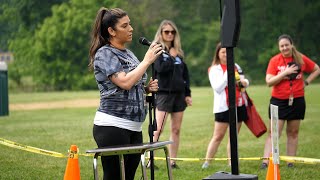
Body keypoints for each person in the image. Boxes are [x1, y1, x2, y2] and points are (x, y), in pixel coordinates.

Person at [88, 7, 163, 180]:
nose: (131, 29)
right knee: (114, 177)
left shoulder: (128, 53)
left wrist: (145, 89)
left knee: (128, 176)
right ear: (111, 31)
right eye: (125, 26)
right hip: (112, 126)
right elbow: (124, 82)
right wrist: (146, 61)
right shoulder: (104, 53)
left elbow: (129, 85)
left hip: (134, 127)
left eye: (130, 24)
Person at [260, 34, 320, 169]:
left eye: (287, 45)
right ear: (279, 47)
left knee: (293, 133)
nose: (284, 48)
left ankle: (290, 162)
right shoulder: (275, 61)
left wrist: (306, 82)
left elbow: (316, 69)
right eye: (282, 46)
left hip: (297, 100)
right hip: (278, 101)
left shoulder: (301, 58)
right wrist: (284, 72)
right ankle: (266, 161)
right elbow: (269, 82)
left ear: (291, 45)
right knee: (274, 133)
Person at [202, 42, 250, 169]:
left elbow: (241, 84)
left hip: (238, 105)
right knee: (218, 136)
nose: (226, 54)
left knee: (233, 137)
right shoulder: (214, 69)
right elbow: (218, 88)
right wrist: (228, 73)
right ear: (218, 53)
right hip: (223, 107)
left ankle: (232, 163)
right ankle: (207, 162)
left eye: (228, 52)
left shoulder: (236, 66)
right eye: (223, 52)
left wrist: (245, 82)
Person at [152, 20, 192, 168]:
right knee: (158, 129)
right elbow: (160, 69)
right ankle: (151, 160)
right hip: (163, 94)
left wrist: (187, 93)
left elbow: (184, 75)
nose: (170, 34)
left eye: (172, 32)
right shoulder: (157, 50)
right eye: (166, 32)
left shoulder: (178, 52)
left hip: (179, 95)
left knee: (176, 129)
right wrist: (171, 57)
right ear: (161, 33)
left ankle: (172, 161)